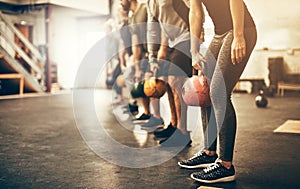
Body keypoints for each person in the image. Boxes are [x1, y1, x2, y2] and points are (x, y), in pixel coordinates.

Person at [178, 0, 257, 184]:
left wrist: (239, 35)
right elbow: (196, 12)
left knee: (219, 92)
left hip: (241, 29)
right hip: (220, 34)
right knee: (204, 89)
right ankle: (209, 152)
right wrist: (194, 49)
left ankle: (226, 165)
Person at [147, 0, 193, 146]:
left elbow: (194, 9)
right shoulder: (150, 2)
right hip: (169, 42)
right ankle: (174, 125)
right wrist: (154, 55)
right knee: (167, 83)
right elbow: (156, 29)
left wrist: (199, 34)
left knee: (176, 82)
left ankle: (183, 132)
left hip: (185, 37)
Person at [120, 0, 164, 127]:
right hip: (143, 53)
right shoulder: (132, 17)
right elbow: (136, 43)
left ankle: (157, 117)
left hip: (153, 51)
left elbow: (156, 29)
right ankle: (147, 112)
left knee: (151, 83)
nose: (121, 3)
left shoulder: (144, 8)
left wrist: (155, 52)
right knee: (137, 79)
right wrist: (137, 66)